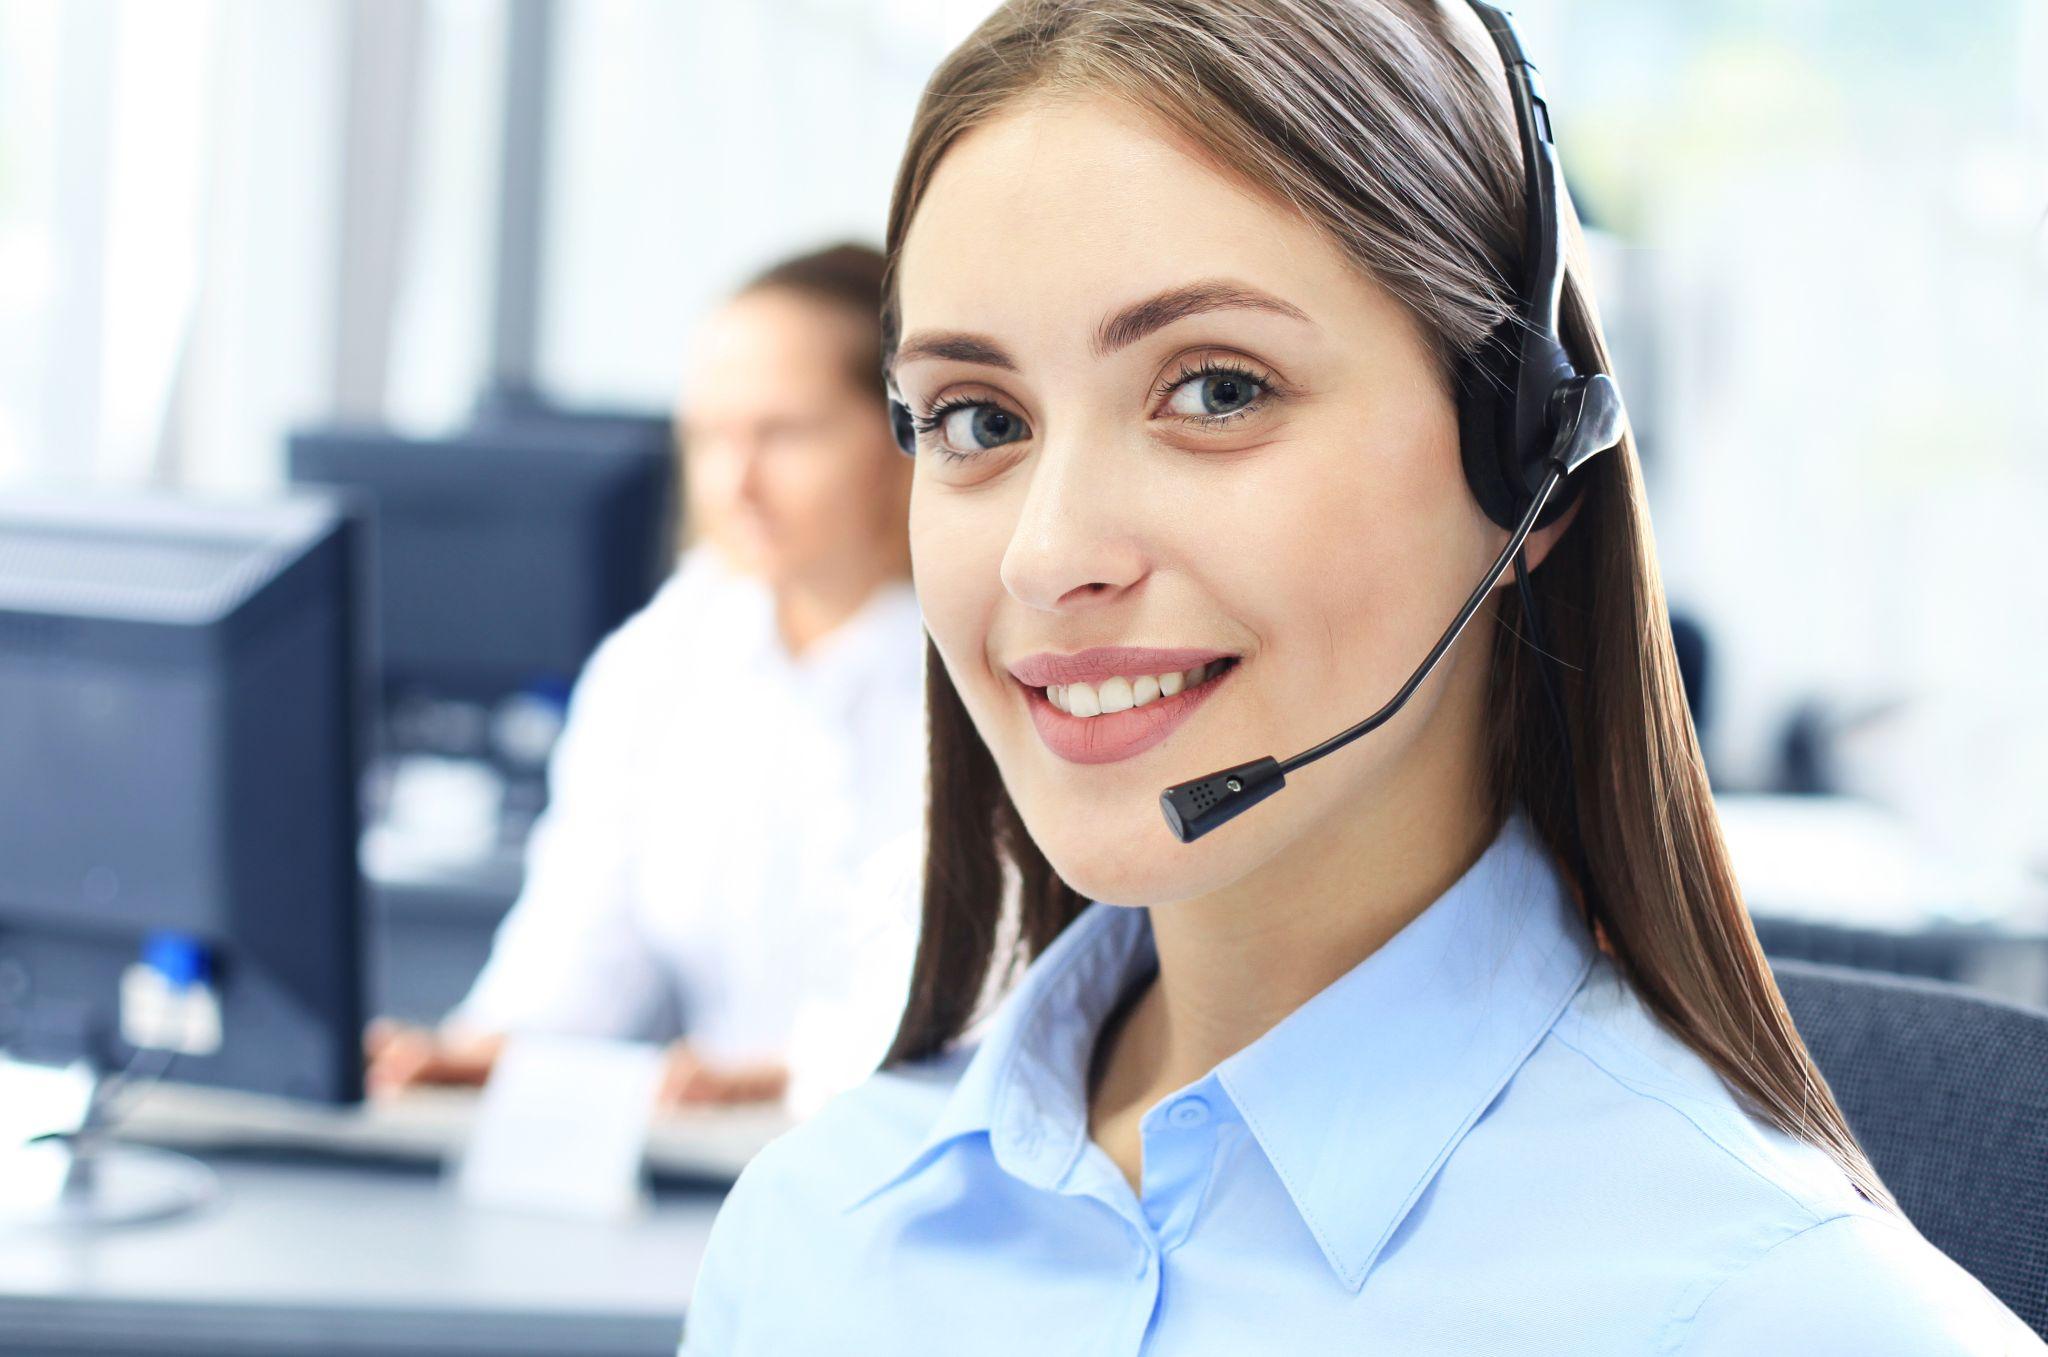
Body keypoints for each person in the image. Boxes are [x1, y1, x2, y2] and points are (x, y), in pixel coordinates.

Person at [680, 1, 2044, 1352]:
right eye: (980, 421)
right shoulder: (815, 1243)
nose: (1049, 557)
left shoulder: (1784, 1313)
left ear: (1526, 468)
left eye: (1216, 389)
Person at [366, 244, 925, 1110]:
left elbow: (1016, 1001)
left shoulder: (990, 669)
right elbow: (579, 954)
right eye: (708, 437)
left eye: (783, 434)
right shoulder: (664, 657)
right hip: (722, 1166)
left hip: (924, 1153)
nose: (734, 482)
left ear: (904, 433)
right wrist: (473, 1056)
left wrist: (786, 1078)